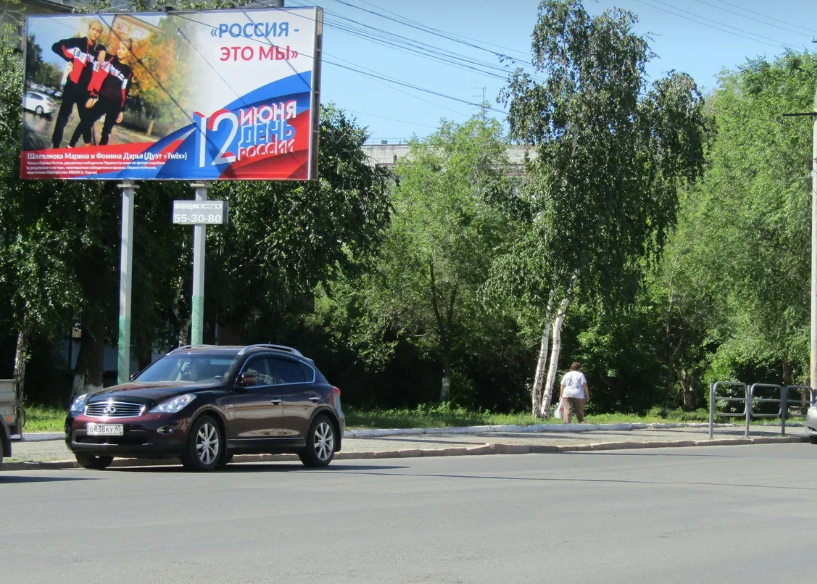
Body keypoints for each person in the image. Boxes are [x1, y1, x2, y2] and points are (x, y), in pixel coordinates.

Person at [50, 20, 106, 148]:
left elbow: (98, 75)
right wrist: (70, 58)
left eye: (98, 31)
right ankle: (55, 146)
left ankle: (83, 146)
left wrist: (103, 49)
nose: (95, 32)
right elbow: (56, 46)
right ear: (89, 29)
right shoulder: (78, 43)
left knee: (87, 121)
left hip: (85, 91)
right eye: (93, 29)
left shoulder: (98, 52)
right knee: (62, 118)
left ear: (100, 34)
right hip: (72, 87)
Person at [69, 39, 134, 147]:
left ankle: (99, 154)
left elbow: (124, 92)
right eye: (119, 48)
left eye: (123, 49)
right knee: (86, 121)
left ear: (128, 52)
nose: (120, 51)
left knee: (106, 132)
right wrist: (103, 50)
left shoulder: (128, 72)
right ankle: (71, 145)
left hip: (115, 104)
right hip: (103, 99)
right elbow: (98, 48)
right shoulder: (110, 59)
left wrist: (122, 110)